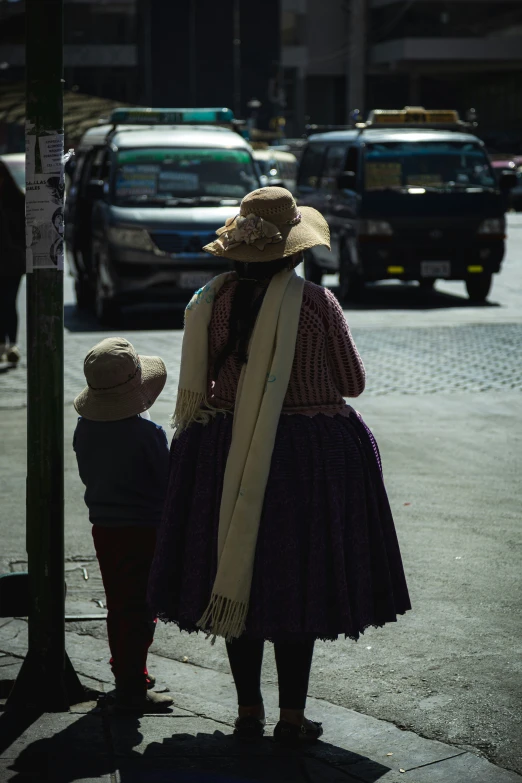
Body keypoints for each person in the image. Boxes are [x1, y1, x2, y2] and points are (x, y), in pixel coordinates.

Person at [148, 187, 411, 743]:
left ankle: (248, 713)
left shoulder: (209, 302)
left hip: (221, 446)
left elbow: (208, 379)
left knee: (236, 571)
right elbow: (352, 383)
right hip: (308, 455)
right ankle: (292, 717)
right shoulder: (316, 304)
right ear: (295, 251)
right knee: (299, 581)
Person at [73, 337, 174, 713]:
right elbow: (167, 486)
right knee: (142, 607)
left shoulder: (84, 430)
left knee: (120, 604)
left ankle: (126, 674)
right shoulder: (148, 435)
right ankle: (133, 682)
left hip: (105, 528)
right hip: (145, 531)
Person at [0, 161, 25, 364]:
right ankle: (3, 343)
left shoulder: (17, 200)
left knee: (8, 302)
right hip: (11, 260)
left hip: (12, 262)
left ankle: (12, 344)